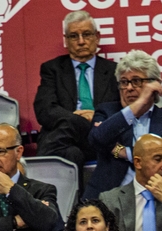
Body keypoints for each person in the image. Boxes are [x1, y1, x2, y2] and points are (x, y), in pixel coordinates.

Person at [84, 50, 162, 199]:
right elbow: (97, 140)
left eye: (136, 81)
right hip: (112, 197)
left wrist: (125, 152)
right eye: (124, 82)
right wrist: (135, 107)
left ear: (154, 84)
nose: (129, 88)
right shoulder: (107, 112)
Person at [34, 11, 118, 172]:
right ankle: (81, 198)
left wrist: (95, 117)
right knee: (72, 154)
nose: (81, 41)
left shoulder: (114, 71)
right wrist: (76, 120)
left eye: (86, 34)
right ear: (66, 40)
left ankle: (39, 172)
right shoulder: (52, 69)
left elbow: (120, 109)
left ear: (97, 37)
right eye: (74, 36)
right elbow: (45, 109)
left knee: (66, 129)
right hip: (67, 141)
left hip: (99, 135)